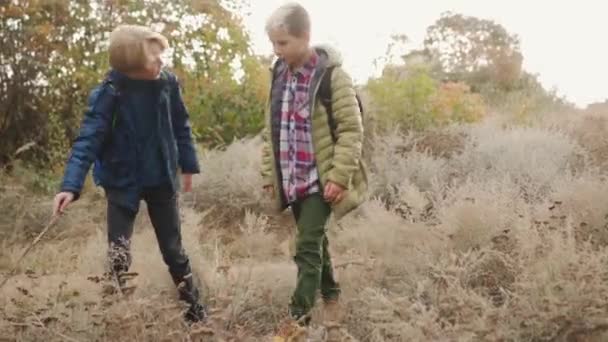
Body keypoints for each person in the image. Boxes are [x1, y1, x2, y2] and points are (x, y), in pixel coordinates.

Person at [52, 24, 206, 323]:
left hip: (161, 177)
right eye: (153, 59)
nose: (161, 63)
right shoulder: (110, 92)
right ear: (131, 66)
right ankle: (114, 314)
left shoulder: (167, 84)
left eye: (162, 56)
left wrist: (188, 165)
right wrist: (70, 186)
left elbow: (181, 125)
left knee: (174, 250)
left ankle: (195, 311)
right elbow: (88, 139)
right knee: (118, 253)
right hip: (123, 182)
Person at [260, 2, 368, 335]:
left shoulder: (332, 76)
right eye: (273, 44)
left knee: (304, 247)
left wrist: (339, 176)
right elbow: (270, 130)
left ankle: (297, 322)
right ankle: (332, 294)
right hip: (292, 180)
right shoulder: (279, 75)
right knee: (315, 242)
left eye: (283, 43)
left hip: (321, 181)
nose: (277, 51)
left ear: (305, 37)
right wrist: (269, 175)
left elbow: (352, 129)